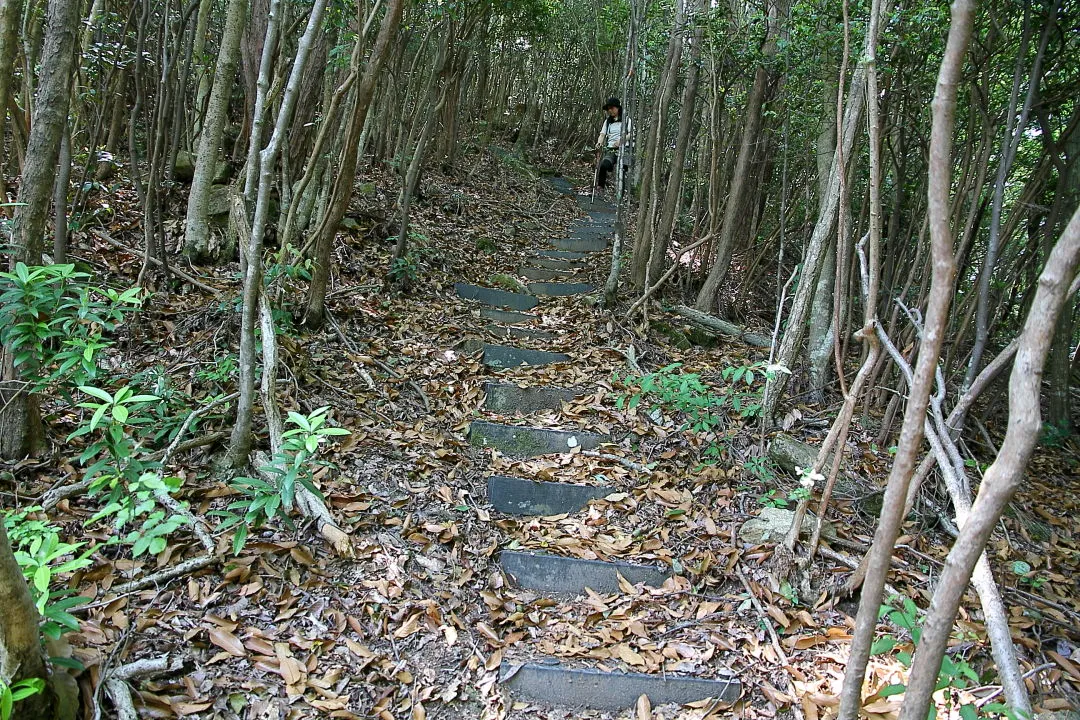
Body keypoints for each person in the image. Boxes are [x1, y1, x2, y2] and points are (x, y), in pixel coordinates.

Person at [595, 97, 631, 194]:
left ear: (618, 108)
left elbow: (631, 134)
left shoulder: (627, 120)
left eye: (612, 108)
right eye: (608, 109)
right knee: (603, 165)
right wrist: (599, 143)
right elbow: (602, 134)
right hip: (611, 148)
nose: (610, 110)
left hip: (624, 148)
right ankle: (600, 188)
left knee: (622, 171)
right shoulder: (608, 122)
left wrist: (621, 140)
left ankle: (621, 196)